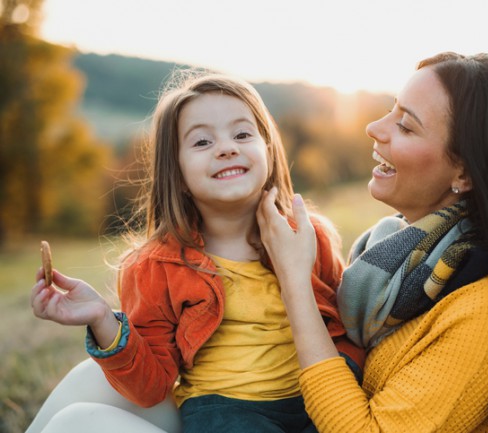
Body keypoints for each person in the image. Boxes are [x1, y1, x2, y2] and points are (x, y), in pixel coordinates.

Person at [256, 52, 488, 432]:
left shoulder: (480, 309)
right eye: (391, 111)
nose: (374, 127)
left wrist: (295, 284)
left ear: (465, 172)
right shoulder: (408, 256)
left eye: (405, 126)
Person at [29, 72, 363, 433]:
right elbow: (150, 387)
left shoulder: (309, 236)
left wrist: (348, 389)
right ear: (178, 173)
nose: (226, 148)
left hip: (317, 400)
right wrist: (102, 319)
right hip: (226, 413)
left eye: (242, 134)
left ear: (267, 148)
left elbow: (345, 333)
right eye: (202, 142)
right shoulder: (155, 266)